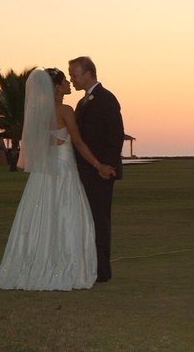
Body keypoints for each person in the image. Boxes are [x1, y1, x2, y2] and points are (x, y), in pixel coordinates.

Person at [0, 68, 114, 291]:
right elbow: (78, 143)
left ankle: (36, 263)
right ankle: (65, 266)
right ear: (57, 87)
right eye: (65, 81)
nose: (69, 84)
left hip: (44, 173)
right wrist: (99, 165)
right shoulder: (65, 110)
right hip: (65, 171)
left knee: (42, 215)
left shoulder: (38, 113)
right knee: (67, 216)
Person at [69, 56, 124, 283]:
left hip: (101, 172)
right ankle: (91, 267)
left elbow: (115, 135)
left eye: (75, 74)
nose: (72, 79)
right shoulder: (81, 103)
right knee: (88, 221)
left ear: (88, 73)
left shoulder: (106, 99)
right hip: (85, 171)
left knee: (100, 221)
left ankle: (102, 271)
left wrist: (107, 167)